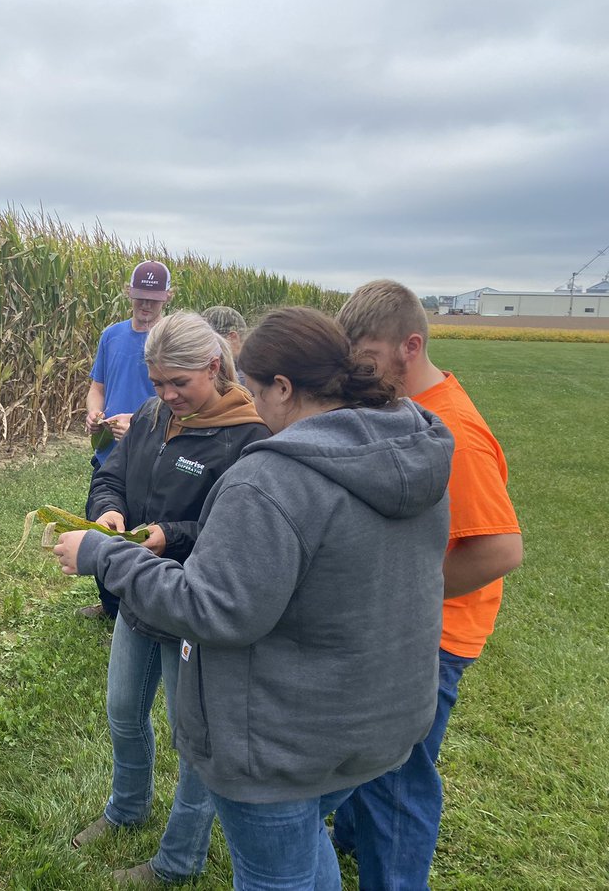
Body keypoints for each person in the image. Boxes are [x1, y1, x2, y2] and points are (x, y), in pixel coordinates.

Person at [54, 306, 454, 890]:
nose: (254, 403)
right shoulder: (413, 449)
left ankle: (178, 859)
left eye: (256, 388)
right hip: (375, 722)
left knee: (276, 874)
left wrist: (104, 555)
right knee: (305, 851)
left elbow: (216, 607)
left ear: (284, 387)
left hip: (280, 743)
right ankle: (131, 811)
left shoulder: (271, 472)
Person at [332, 279, 523, 890]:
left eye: (365, 362)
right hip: (398, 626)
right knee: (368, 752)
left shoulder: (455, 433)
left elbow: (499, 548)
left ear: (409, 347)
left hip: (432, 638)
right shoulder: (400, 409)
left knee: (399, 778)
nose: (354, 376)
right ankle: (352, 841)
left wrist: (402, 592)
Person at [71, 312, 270, 886]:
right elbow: (110, 474)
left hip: (194, 608)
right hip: (139, 593)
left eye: (178, 383)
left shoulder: (249, 437)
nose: (165, 395)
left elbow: (232, 532)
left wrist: (170, 536)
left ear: (215, 366)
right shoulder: (156, 417)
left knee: (194, 742)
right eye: (157, 383)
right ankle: (126, 809)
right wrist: (106, 512)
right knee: (122, 712)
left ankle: (178, 859)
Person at [80, 259, 174, 620]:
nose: (146, 305)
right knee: (101, 522)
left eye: (153, 297)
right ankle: (110, 605)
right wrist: (94, 412)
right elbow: (97, 387)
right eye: (139, 297)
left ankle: (138, 608)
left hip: (153, 453)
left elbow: (179, 400)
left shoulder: (171, 342)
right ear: (128, 293)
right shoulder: (112, 336)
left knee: (142, 532)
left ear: (168, 296)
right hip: (108, 453)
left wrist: (137, 422)